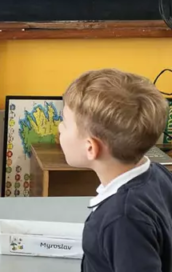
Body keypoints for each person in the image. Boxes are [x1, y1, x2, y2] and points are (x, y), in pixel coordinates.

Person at [59, 68, 172, 272]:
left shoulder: (123, 219)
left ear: (91, 148)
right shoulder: (157, 174)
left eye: (65, 124)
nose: (59, 128)